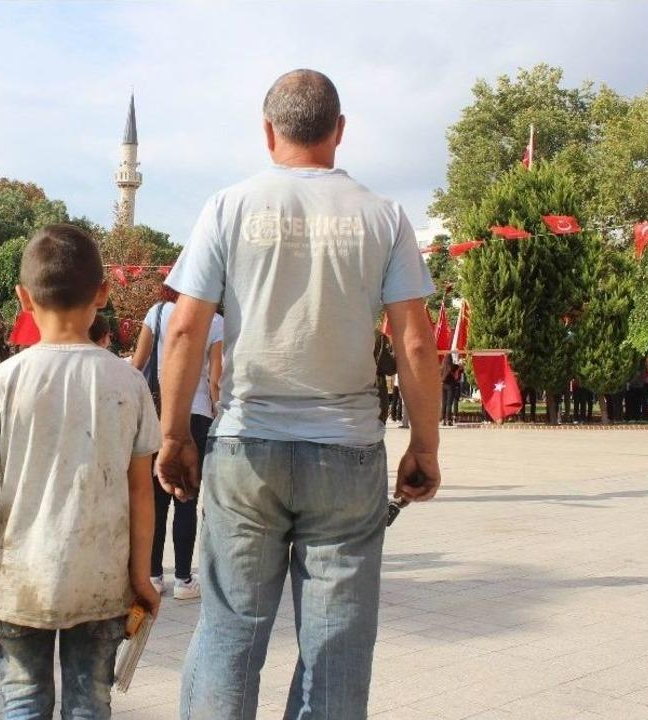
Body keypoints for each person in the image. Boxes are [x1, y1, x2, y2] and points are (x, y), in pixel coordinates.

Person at [154, 70, 441, 719]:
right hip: (346, 457)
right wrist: (423, 446)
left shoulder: (229, 207)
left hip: (246, 449)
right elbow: (416, 344)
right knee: (333, 649)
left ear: (267, 131)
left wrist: (173, 438)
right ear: (338, 132)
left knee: (230, 635)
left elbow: (185, 332)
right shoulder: (383, 216)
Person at [0, 224, 161, 717]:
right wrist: (141, 576)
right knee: (90, 704)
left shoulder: (0, 382)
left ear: (23, 298)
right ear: (103, 293)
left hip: (22, 582)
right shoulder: (128, 383)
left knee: (23, 701)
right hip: (103, 582)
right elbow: (140, 493)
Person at [131, 286, 222, 600]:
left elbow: (138, 364)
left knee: (155, 500)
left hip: (156, 413)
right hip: (196, 414)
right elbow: (215, 380)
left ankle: (154, 574)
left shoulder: (155, 313)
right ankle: (183, 578)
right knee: (186, 497)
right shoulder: (215, 320)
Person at [441, 354, 461, 426]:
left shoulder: (442, 367)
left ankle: (443, 420)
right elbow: (460, 367)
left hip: (443, 385)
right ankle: (448, 420)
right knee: (449, 404)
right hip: (450, 386)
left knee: (444, 403)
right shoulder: (453, 366)